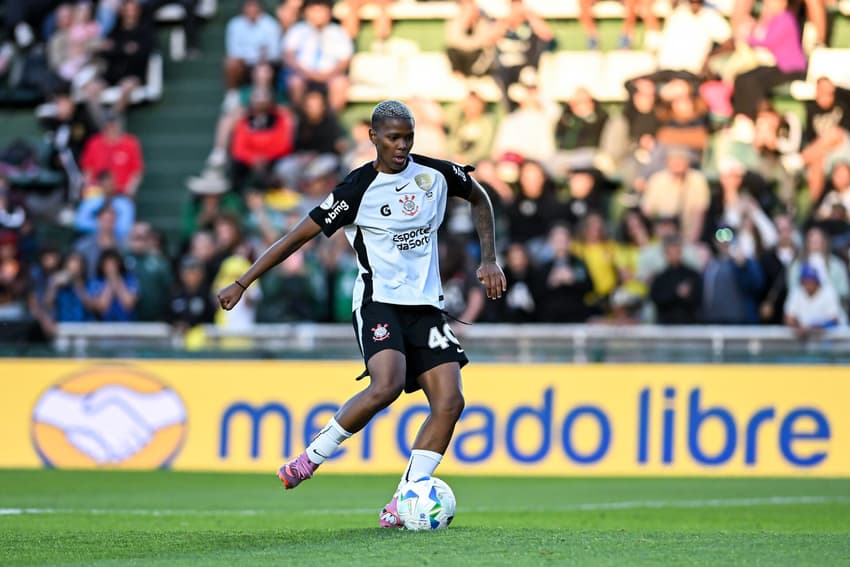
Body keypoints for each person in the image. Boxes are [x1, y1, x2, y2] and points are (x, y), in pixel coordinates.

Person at [216, 100, 506, 527]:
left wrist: (489, 259)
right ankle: (311, 458)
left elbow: (479, 197)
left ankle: (402, 498)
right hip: (379, 300)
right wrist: (243, 281)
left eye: (408, 137)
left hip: (425, 307)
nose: (402, 145)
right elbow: (297, 238)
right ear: (373, 137)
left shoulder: (436, 175)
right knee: (386, 384)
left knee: (451, 401)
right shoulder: (356, 190)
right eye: (393, 137)